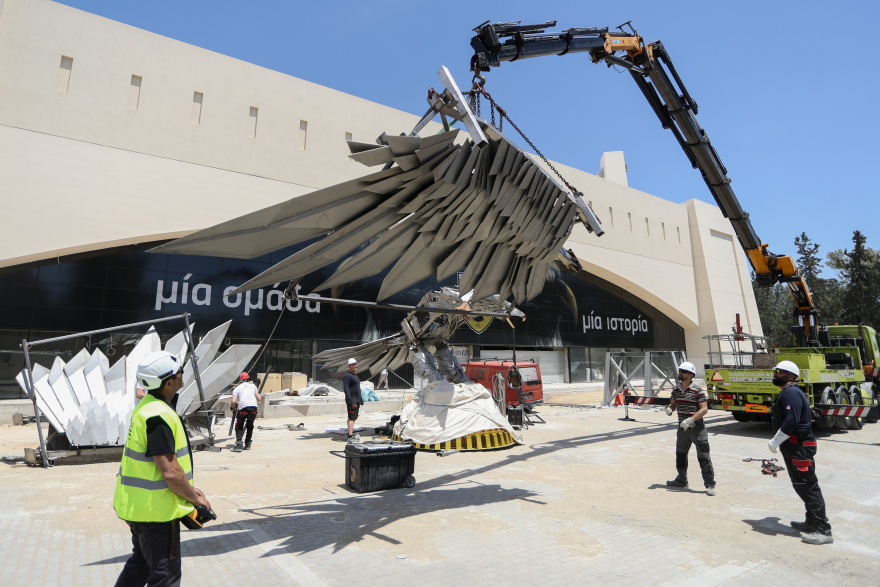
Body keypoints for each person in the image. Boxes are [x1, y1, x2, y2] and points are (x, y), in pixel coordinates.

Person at [113, 351, 212, 587]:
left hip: (140, 506)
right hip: (155, 512)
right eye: (180, 371)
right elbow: (170, 472)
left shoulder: (149, 406)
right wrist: (195, 497)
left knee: (141, 565)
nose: (182, 374)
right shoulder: (158, 416)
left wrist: (190, 490)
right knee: (165, 576)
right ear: (169, 382)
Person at [768, 360, 833, 545]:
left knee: (808, 487)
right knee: (801, 485)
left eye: (778, 372)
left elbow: (791, 421)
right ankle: (811, 522)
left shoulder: (791, 393)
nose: (775, 375)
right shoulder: (789, 392)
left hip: (799, 448)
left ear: (790, 376)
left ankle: (823, 531)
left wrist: (775, 441)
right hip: (795, 447)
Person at [665, 361, 716, 496]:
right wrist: (670, 409)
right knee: (681, 455)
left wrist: (691, 419)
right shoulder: (676, 389)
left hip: (698, 429)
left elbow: (704, 409)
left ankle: (710, 484)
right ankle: (682, 480)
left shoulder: (697, 390)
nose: (680, 373)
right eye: (680, 370)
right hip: (682, 429)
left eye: (683, 371)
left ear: (690, 375)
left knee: (704, 456)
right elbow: (673, 404)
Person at [231, 372, 261, 450]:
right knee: (250, 425)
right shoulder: (253, 386)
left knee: (239, 425)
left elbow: (233, 402)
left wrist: (232, 408)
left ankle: (239, 445)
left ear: (240, 380)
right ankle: (248, 445)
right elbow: (259, 399)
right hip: (253, 408)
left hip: (243, 408)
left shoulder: (237, 388)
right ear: (248, 379)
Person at [343, 358, 363, 443]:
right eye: (352, 365)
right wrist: (350, 400)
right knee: (352, 418)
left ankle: (349, 433)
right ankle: (350, 436)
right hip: (352, 400)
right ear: (349, 366)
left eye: (355, 364)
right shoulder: (348, 376)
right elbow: (346, 388)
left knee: (351, 417)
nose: (354, 366)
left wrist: (360, 399)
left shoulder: (355, 376)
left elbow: (357, 388)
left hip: (356, 400)